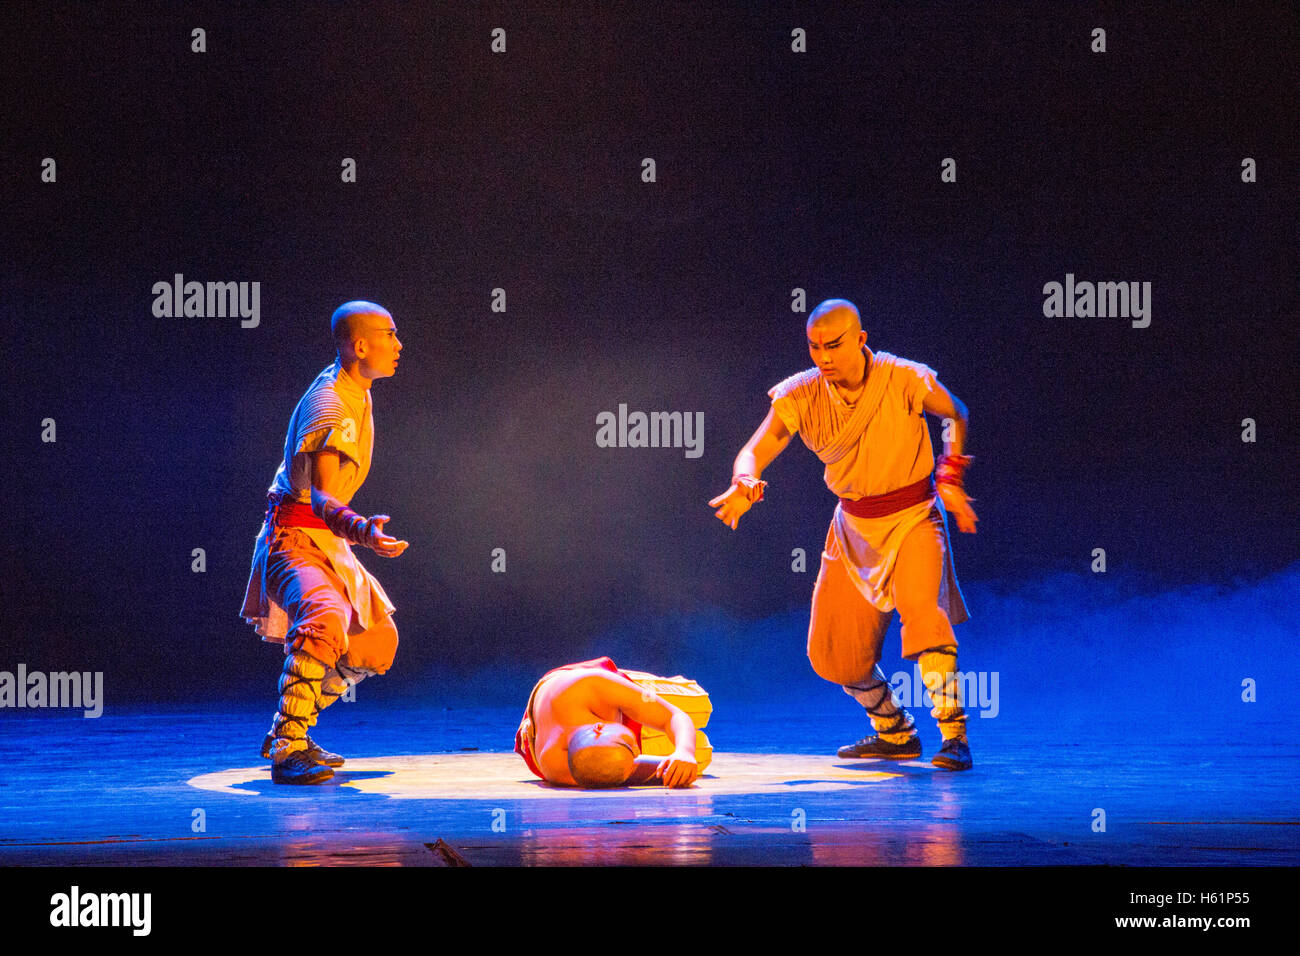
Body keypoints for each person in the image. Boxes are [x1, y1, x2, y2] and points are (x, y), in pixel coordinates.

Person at [708, 299, 978, 770]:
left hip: (913, 516)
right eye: (814, 347)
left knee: (923, 615)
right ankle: (894, 732)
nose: (824, 357)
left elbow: (955, 412)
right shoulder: (802, 394)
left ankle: (954, 735)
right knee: (832, 652)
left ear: (860, 339)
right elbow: (756, 448)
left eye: (833, 345)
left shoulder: (902, 377)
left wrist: (950, 477)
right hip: (852, 527)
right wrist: (743, 481)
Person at [240, 301, 409, 784]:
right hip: (292, 537)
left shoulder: (356, 389)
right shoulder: (332, 404)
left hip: (324, 539)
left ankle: (293, 730)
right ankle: (288, 746)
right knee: (325, 618)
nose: (398, 346)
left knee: (376, 642)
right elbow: (321, 499)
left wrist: (352, 533)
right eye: (390, 335)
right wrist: (364, 532)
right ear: (360, 346)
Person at [515, 658, 707, 788]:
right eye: (634, 752)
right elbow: (624, 770)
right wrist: (671, 769)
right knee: (700, 755)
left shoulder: (592, 686)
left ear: (599, 728)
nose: (638, 752)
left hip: (617, 696)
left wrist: (684, 752)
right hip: (583, 745)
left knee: (698, 705)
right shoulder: (557, 768)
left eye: (630, 747)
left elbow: (672, 714)